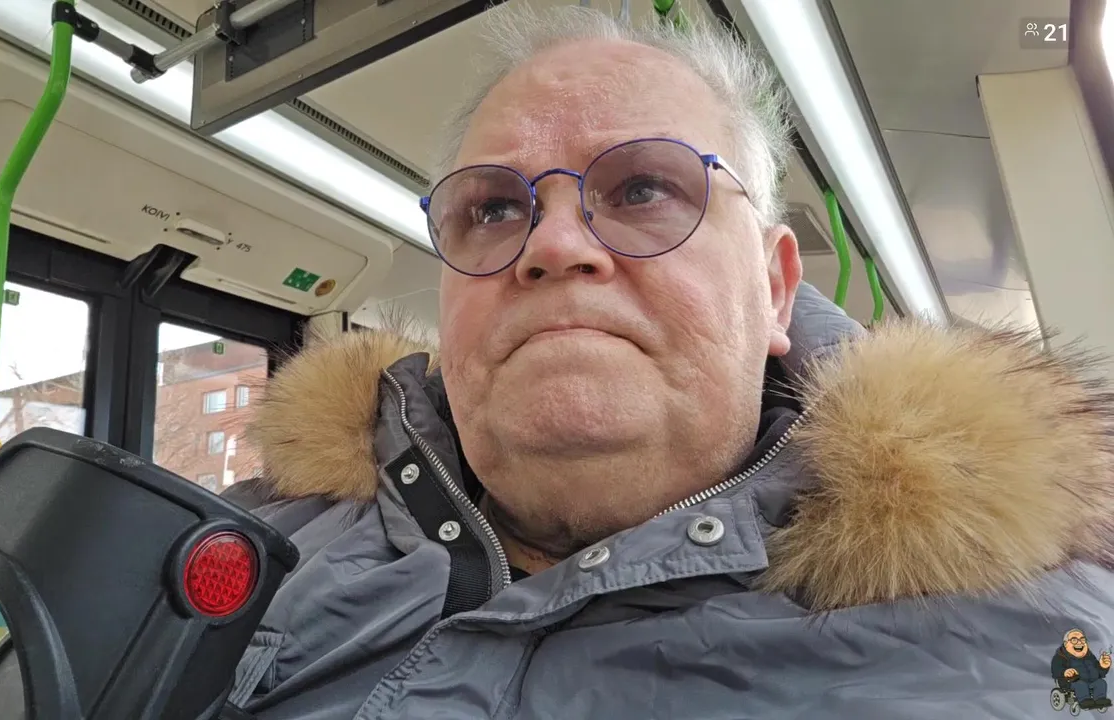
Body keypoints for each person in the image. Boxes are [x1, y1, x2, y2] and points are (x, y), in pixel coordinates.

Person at [222, 4, 1114, 717]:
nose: (552, 244)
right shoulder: (248, 547)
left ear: (775, 288)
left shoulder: (1043, 637)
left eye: (644, 188)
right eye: (494, 210)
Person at [1052, 629, 1112, 709]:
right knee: (1080, 685)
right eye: (1074, 640)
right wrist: (1064, 672)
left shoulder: (1090, 657)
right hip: (1071, 682)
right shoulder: (1060, 657)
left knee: (1101, 682)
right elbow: (1056, 669)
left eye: (1082, 639)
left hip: (1091, 681)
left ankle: (1100, 700)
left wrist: (1103, 667)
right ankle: (1084, 701)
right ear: (1066, 644)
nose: (1079, 643)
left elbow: (1099, 673)